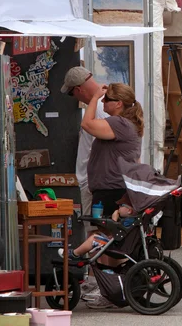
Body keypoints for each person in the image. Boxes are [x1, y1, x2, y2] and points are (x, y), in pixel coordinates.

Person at [61, 66, 109, 301]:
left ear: (79, 90)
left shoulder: (99, 107)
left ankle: (100, 285)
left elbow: (91, 130)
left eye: (72, 94)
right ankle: (98, 281)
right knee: (101, 230)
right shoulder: (104, 103)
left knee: (96, 231)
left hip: (93, 180)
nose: (74, 99)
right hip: (96, 179)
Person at [82, 83, 143, 219]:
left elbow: (87, 124)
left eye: (107, 98)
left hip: (111, 190)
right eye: (103, 98)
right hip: (114, 188)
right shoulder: (127, 123)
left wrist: (95, 97)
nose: (103, 101)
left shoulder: (119, 123)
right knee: (105, 236)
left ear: (118, 104)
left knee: (104, 236)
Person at [58, 194, 137, 261]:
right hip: (123, 245)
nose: (118, 208)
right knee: (98, 234)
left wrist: (114, 220)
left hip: (119, 247)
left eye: (121, 206)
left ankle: (74, 254)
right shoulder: (133, 220)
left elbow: (117, 231)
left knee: (94, 238)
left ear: (129, 211)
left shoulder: (129, 221)